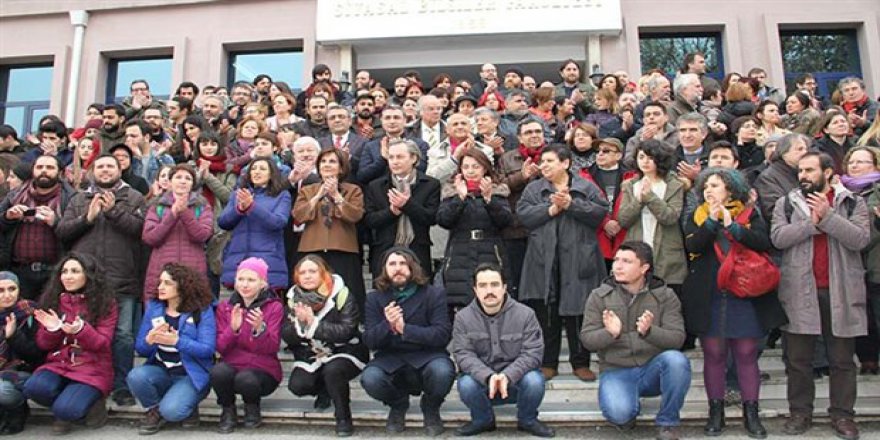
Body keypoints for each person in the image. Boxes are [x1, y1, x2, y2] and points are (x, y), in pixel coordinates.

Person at [770, 152, 870, 440]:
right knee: (798, 360)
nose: (803, 175)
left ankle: (842, 415)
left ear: (828, 172)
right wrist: (812, 225)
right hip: (800, 291)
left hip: (840, 290)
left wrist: (827, 217)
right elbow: (778, 238)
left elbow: (860, 239)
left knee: (841, 360)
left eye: (810, 170)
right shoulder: (786, 203)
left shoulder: (852, 201)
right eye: (800, 170)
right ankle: (800, 413)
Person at [681, 167, 786, 438]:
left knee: (746, 354)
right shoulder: (699, 215)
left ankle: (751, 414)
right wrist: (712, 222)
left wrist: (733, 226)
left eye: (715, 185)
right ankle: (715, 413)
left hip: (746, 295)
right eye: (706, 186)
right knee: (714, 354)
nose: (708, 190)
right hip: (710, 295)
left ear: (730, 189)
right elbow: (693, 246)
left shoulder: (750, 213)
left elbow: (763, 242)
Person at [56, 153, 146, 408]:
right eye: (100, 167)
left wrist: (113, 211)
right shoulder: (78, 198)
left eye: (110, 166)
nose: (105, 171)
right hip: (87, 280)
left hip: (123, 278)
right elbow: (62, 232)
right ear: (93, 171)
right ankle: (89, 382)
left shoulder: (133, 197)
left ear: (120, 170)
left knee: (123, 337)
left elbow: (141, 231)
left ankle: (122, 386)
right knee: (87, 333)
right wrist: (88, 218)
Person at [580, 242, 690, 440]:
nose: (617, 266)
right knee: (620, 414)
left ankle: (668, 423)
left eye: (627, 261)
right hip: (616, 370)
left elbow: (677, 338)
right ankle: (627, 410)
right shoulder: (599, 296)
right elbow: (587, 339)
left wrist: (649, 332)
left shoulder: (664, 295)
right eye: (616, 260)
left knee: (676, 361)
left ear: (644, 268)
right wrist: (610, 333)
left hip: (652, 370)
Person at [517, 144, 609, 382]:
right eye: (543, 161)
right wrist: (551, 209)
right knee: (546, 312)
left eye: (550, 161)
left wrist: (571, 205)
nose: (544, 166)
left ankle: (581, 362)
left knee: (579, 311)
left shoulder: (585, 187)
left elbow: (600, 212)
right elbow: (524, 216)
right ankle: (548, 362)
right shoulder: (534, 189)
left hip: (579, 257)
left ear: (566, 163)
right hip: (543, 258)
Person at [452, 263, 554, 438]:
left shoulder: (526, 314)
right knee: (466, 384)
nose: (489, 290)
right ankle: (483, 420)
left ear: (504, 287)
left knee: (535, 380)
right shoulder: (462, 318)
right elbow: (463, 354)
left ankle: (527, 420)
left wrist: (507, 376)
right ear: (475, 289)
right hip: (483, 384)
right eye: (483, 285)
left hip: (516, 383)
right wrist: (488, 376)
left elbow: (533, 353)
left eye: (494, 284)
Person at [360, 247, 454, 436]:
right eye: (392, 264)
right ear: (384, 269)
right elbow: (370, 340)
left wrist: (405, 329)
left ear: (413, 267)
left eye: (403, 263)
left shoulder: (433, 294)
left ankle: (431, 407)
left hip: (427, 354)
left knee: (443, 371)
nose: (398, 268)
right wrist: (387, 324)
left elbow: (442, 334)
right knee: (370, 379)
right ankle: (398, 405)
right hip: (391, 357)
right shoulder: (374, 298)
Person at [23, 253, 118, 435]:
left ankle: (87, 405)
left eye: (75, 271)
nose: (67, 276)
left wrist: (81, 331)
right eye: (64, 271)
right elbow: (43, 345)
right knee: (33, 388)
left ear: (88, 275)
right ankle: (68, 402)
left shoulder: (106, 303)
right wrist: (54, 329)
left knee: (66, 410)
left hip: (92, 368)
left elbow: (103, 343)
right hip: (58, 365)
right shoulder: (52, 300)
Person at [283, 255, 368, 437]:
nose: (307, 276)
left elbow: (347, 330)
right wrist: (301, 324)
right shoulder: (292, 298)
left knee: (333, 370)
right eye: (302, 272)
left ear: (324, 273)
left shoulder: (342, 294)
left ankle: (343, 417)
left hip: (346, 349)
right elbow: (286, 335)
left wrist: (314, 324)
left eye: (312, 271)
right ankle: (325, 389)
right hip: (312, 353)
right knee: (298, 386)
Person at [127, 263, 215, 434]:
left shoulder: (202, 311)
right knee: (136, 376)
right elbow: (141, 350)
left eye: (167, 283)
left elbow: (207, 349)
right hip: (162, 371)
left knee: (173, 412)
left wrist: (178, 341)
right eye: (160, 282)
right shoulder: (154, 308)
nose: (160, 287)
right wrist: (149, 340)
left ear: (183, 286)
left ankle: (185, 405)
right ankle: (155, 409)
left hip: (190, 375)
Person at [211, 257, 283, 434]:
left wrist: (260, 330)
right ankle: (228, 410)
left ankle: (252, 408)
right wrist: (233, 329)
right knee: (218, 372)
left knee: (246, 378)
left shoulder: (274, 307)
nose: (245, 284)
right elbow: (220, 347)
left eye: (251, 280)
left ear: (263, 283)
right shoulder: (225, 307)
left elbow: (272, 347)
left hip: (262, 369)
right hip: (233, 365)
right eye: (241, 279)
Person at [437, 149, 512, 310]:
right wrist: (460, 198)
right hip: (459, 252)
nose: (470, 171)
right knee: (460, 302)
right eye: (466, 167)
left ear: (484, 168)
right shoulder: (451, 191)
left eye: (475, 167)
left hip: (490, 250)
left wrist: (489, 199)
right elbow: (444, 220)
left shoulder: (498, 190)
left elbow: (505, 220)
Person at [293, 148, 366, 313]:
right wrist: (318, 196)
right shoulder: (308, 190)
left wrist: (337, 196)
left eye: (332, 161)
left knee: (346, 294)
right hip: (312, 249)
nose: (327, 165)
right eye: (323, 162)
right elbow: (299, 215)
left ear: (341, 168)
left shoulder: (353, 190)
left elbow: (355, 215)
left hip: (343, 249)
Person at [0, 155, 76, 299]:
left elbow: (76, 232)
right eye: (39, 167)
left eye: (50, 168)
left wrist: (55, 222)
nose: (44, 171)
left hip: (55, 271)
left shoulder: (72, 198)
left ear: (60, 173)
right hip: (20, 270)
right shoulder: (14, 196)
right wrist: (8, 217)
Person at [363, 139, 440, 278]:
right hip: (385, 249)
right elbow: (369, 220)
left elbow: (431, 217)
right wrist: (391, 212)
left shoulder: (429, 184)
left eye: (400, 157)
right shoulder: (376, 186)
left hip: (417, 249)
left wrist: (407, 205)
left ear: (414, 158)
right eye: (391, 157)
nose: (395, 161)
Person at [617, 140, 687, 291]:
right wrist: (639, 201)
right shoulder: (630, 185)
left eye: (650, 158)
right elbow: (623, 219)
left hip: (666, 251)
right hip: (637, 247)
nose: (645, 162)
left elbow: (670, 217)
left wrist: (650, 197)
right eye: (641, 157)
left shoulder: (675, 185)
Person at [218, 157, 292, 293]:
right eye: (254, 169)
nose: (257, 172)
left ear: (272, 174)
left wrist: (252, 207)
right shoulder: (238, 194)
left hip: (268, 259)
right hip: (238, 258)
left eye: (263, 169)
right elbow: (223, 222)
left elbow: (278, 222)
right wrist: (239, 209)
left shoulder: (281, 195)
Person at [142, 164, 213, 300]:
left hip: (193, 269)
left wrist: (185, 213)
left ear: (193, 184)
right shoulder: (157, 206)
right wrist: (173, 214)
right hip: (161, 270)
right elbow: (150, 237)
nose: (183, 181)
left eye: (188, 178)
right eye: (178, 177)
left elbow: (203, 235)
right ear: (169, 182)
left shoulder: (202, 206)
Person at [843, 147, 880, 375]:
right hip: (850, 264)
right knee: (860, 315)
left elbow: (868, 234)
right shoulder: (840, 192)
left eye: (862, 162)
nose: (855, 166)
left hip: (875, 262)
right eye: (852, 161)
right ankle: (867, 359)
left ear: (875, 165)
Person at [0, 271, 45, 434]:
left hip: (24, 370)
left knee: (1, 389)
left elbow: (37, 354)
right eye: (1, 290)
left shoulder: (31, 312)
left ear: (19, 290)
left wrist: (13, 336)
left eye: (12, 289)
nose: (7, 295)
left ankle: (17, 410)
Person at [754, 133, 810, 221]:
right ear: (784, 153)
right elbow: (774, 211)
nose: (805, 152)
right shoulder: (768, 177)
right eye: (799, 149)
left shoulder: (806, 172)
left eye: (806, 149)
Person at [813, 109, 856, 175]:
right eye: (835, 123)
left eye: (843, 121)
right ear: (826, 130)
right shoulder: (818, 147)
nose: (841, 124)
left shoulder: (856, 143)